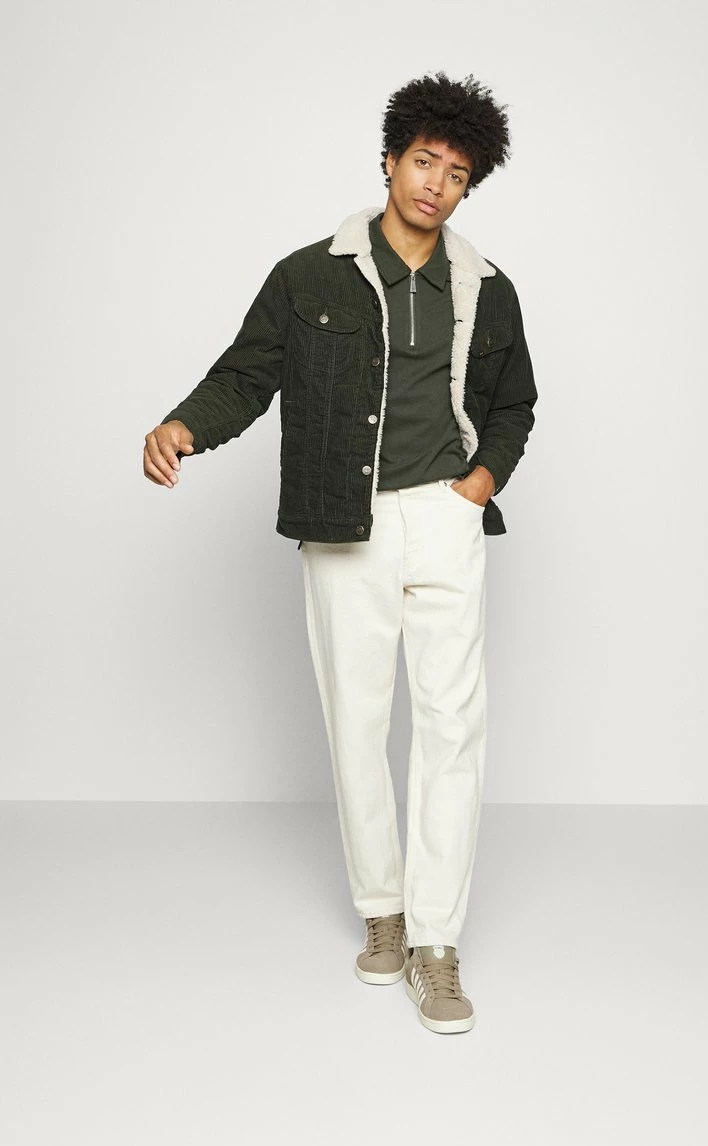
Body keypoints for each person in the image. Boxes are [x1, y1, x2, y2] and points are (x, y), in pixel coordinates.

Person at [143, 71, 538, 1034]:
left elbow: (515, 402)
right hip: (341, 519)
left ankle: (437, 942)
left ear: (470, 186)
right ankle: (383, 912)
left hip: (444, 514)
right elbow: (249, 372)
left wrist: (480, 481)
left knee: (452, 724)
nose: (436, 185)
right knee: (357, 721)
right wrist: (185, 426)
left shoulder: (487, 288)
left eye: (457, 174)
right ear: (390, 160)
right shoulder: (308, 276)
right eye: (424, 162)